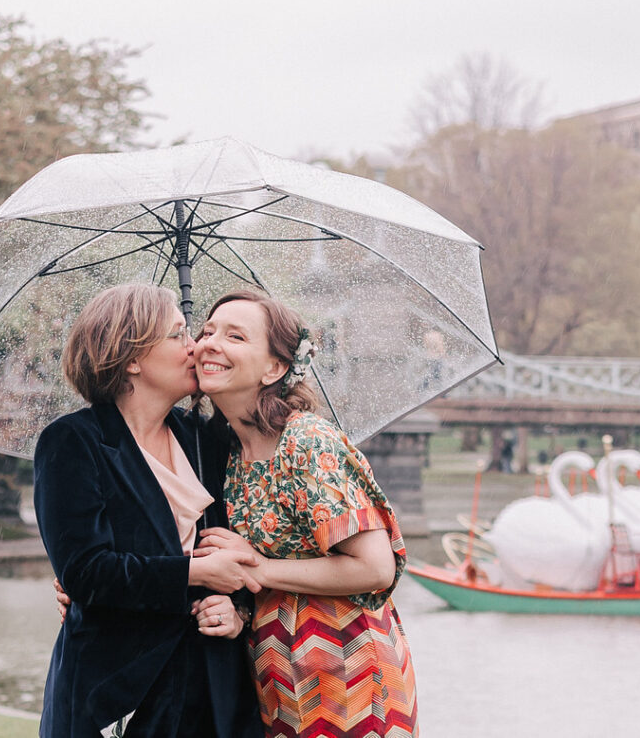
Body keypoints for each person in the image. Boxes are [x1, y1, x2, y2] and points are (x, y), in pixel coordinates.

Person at [33, 283, 263, 738]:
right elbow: (86, 572)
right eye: (178, 334)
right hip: (116, 694)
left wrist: (238, 610)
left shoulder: (205, 438)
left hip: (211, 694)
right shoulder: (72, 443)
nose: (195, 346)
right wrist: (195, 573)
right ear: (133, 358)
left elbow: (249, 549)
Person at [192, 290, 419, 738]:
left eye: (235, 336)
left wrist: (260, 567)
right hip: (275, 674)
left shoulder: (307, 442)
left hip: (348, 670)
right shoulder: (228, 451)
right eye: (207, 331)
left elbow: (374, 566)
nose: (210, 343)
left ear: (274, 368)